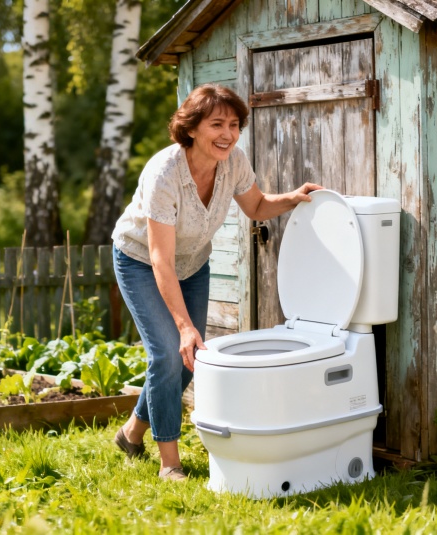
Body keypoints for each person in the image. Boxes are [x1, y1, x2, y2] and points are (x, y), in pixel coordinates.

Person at [110, 84, 322, 481]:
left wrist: (293, 197)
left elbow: (256, 206)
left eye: (235, 124)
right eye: (217, 124)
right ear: (191, 128)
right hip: (141, 262)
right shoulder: (164, 173)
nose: (228, 133)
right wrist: (184, 326)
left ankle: (131, 434)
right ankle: (169, 465)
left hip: (193, 263)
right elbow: (160, 259)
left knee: (188, 362)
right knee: (168, 355)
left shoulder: (234, 161)